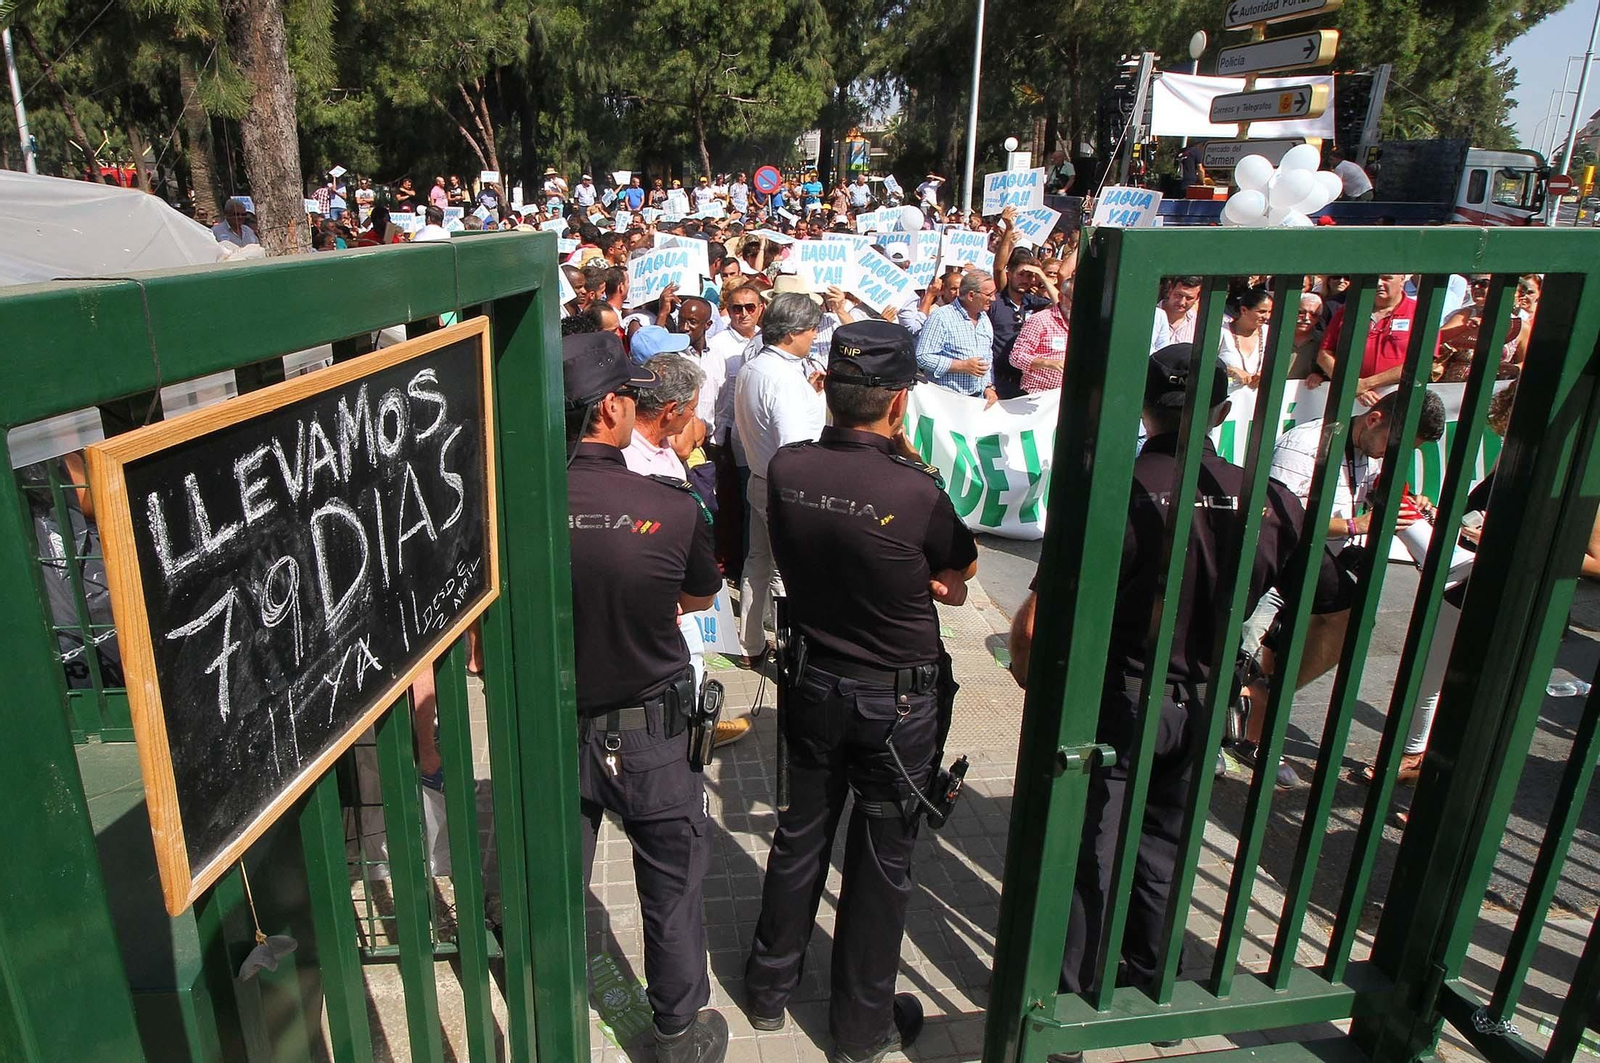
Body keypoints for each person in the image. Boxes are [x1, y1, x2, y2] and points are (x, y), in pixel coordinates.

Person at [1006, 343, 1348, 1005]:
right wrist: (1272, 688)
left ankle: (1072, 1001)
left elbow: (1037, 623)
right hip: (1203, 699)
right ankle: (1153, 982)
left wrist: (1032, 678)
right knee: (1167, 845)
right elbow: (1333, 609)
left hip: (1117, 695)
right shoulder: (1269, 499)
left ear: (1144, 407)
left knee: (1093, 848)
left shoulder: (1115, 490)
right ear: (1222, 411)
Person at [745, 320, 976, 1063]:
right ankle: (859, 1027)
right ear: (899, 403)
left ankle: (768, 988)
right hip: (895, 703)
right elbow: (959, 570)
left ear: (828, 390)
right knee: (880, 862)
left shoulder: (788, 467)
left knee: (801, 833)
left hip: (814, 680)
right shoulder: (915, 490)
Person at [561, 332, 729, 1063]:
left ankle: (549, 1000)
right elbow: (698, 595)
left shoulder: (522, 498)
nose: (636, 406)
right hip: (651, 731)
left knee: (555, 879)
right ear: (609, 409)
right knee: (670, 885)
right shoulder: (669, 504)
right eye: (631, 395)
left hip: (554, 726)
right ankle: (677, 1032)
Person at [1231, 388, 1447, 785]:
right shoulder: (1307, 445)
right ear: (1374, 418)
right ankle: (1238, 719)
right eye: (1395, 444)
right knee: (1250, 648)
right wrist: (1356, 525)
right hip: (1274, 565)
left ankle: (1253, 719)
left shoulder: (1365, 450)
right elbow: (1279, 518)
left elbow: (1365, 494)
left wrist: (1410, 502)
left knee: (1293, 642)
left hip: (1309, 563)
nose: (1393, 455)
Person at [732, 292, 826, 667]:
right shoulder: (782, 378)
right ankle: (792, 655)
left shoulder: (755, 367)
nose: (815, 337)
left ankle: (750, 644)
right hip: (785, 489)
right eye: (811, 330)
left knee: (758, 563)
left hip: (762, 477)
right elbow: (794, 448)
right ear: (792, 333)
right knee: (786, 573)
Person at [1309, 273, 1416, 405]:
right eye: (1374, 279)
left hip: (1398, 400)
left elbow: (1422, 363)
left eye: (1386, 278)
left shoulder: (1418, 312)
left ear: (1402, 279)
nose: (1378, 284)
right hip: (1349, 401)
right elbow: (1324, 355)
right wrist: (1350, 384)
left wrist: (1364, 384)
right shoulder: (1347, 311)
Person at [914, 270, 999, 402]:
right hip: (946, 400)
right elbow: (922, 357)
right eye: (989, 294)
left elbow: (987, 356)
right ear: (971, 295)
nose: (993, 299)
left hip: (976, 400)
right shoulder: (941, 317)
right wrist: (961, 366)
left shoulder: (984, 318)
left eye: (994, 293)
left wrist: (988, 386)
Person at [989, 240, 1053, 398]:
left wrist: (1043, 277)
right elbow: (998, 268)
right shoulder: (995, 303)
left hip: (1027, 383)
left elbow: (1061, 304)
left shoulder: (1034, 302)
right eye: (1021, 274)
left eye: (1030, 276)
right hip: (999, 381)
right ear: (1009, 274)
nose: (1025, 280)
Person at [1010, 274, 1073, 393]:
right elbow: (1016, 356)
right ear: (1060, 297)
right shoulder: (1040, 320)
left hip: (1070, 395)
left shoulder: (1085, 324)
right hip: (1039, 395)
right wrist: (1047, 363)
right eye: (1073, 299)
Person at [1218, 286, 1273, 390]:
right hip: (1225, 394)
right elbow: (1207, 363)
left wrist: (1266, 372)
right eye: (1262, 311)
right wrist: (1231, 370)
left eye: (1269, 312)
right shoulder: (1222, 332)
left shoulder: (1270, 333)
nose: (1267, 317)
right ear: (1244, 310)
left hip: (1258, 395)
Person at [1151, 276, 1202, 352]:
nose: (1182, 302)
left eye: (1189, 298)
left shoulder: (1199, 324)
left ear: (1197, 299)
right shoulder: (1151, 316)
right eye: (1178, 295)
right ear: (1170, 291)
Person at [1288, 292, 1325, 378]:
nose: (1306, 318)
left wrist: (1320, 376)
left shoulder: (1323, 342)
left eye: (1313, 314)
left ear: (1319, 318)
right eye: (1301, 312)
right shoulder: (1273, 336)